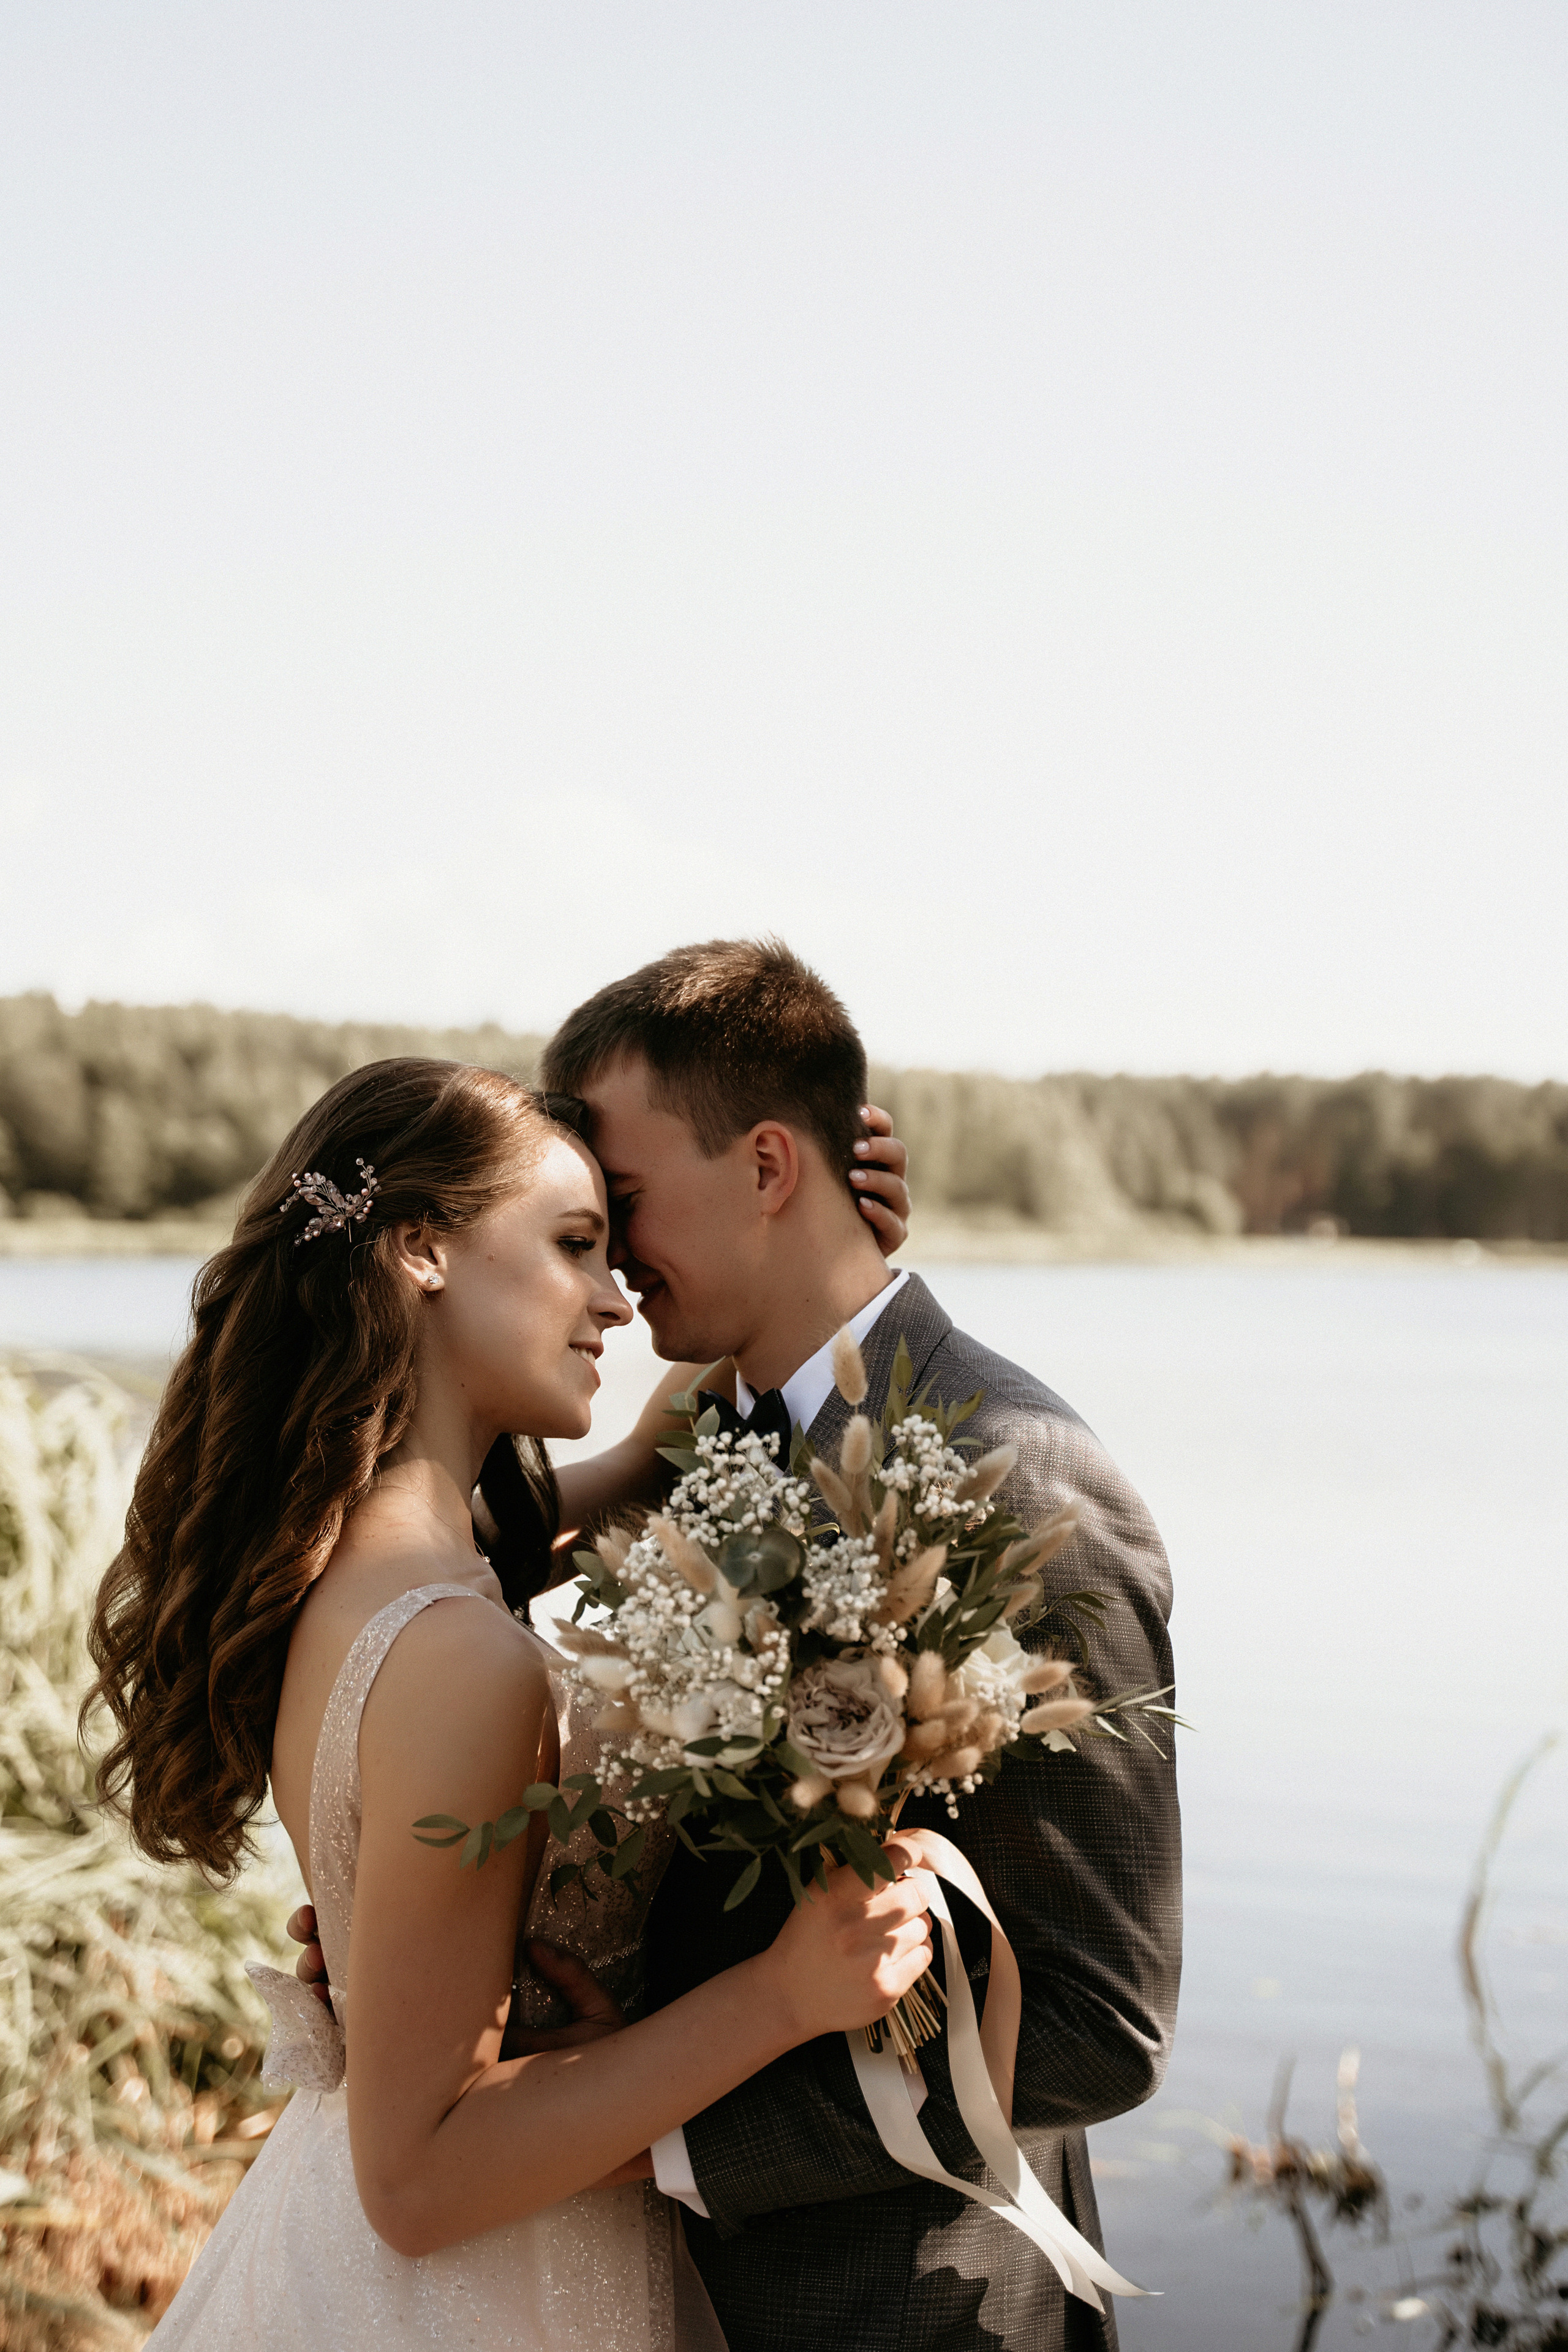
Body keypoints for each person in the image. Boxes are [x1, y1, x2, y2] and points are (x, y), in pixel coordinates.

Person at [85, 1057, 933, 2352]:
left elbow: (631, 1461)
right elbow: (418, 2183)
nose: (615, 1302)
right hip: (478, 2287)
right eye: (576, 1246)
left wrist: (810, 1241)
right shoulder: (456, 1650)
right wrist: (780, 1995)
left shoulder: (355, 1564)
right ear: (421, 1250)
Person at [528, 939, 1182, 2352]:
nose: (609, 1253)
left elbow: (1093, 2020)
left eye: (621, 1201)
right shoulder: (719, 1443)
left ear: (770, 1167)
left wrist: (661, 2138)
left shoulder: (1024, 1483)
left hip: (905, 2306)